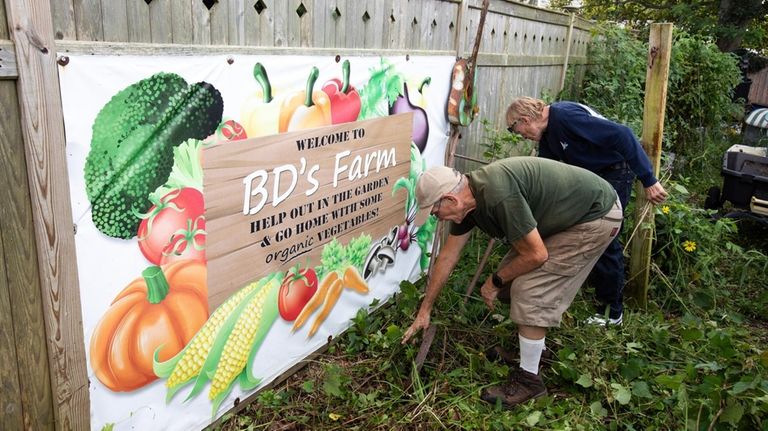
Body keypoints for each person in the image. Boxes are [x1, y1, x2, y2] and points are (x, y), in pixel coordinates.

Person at [401, 157, 623, 408]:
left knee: (528, 291)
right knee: (509, 288)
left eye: (435, 212)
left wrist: (494, 281)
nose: (437, 218)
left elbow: (536, 255)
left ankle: (530, 381)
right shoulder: (470, 203)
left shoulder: (497, 195)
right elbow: (448, 256)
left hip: (595, 216)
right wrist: (425, 309)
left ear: (451, 200)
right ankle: (535, 350)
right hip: (566, 215)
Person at [505, 97, 668, 325]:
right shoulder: (549, 136)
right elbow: (546, 173)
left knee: (606, 236)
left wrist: (649, 180)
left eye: (517, 130)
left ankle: (612, 313)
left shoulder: (565, 117)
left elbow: (623, 135)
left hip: (614, 171)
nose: (520, 136)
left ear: (524, 119)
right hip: (591, 178)